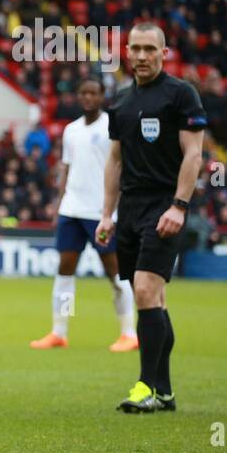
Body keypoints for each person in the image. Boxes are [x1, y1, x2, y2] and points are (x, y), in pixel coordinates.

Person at [97, 23, 206, 413]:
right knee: (152, 298)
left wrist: (179, 205)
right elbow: (114, 160)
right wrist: (106, 214)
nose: (141, 56)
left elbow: (194, 155)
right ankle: (166, 391)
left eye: (149, 49)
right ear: (127, 51)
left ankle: (145, 387)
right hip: (129, 209)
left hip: (165, 205)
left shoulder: (181, 95)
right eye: (135, 48)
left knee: (143, 290)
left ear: (163, 52)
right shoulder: (122, 102)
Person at [30, 76, 138, 351]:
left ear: (102, 97)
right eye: (83, 93)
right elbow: (66, 167)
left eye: (93, 93)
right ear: (78, 97)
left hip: (100, 211)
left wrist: (115, 207)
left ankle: (129, 333)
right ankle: (59, 331)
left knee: (114, 272)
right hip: (72, 209)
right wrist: (59, 201)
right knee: (65, 270)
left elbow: (121, 166)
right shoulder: (71, 130)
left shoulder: (110, 127)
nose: (88, 98)